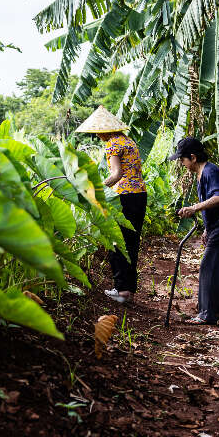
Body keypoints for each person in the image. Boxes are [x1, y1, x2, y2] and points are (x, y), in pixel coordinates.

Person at [76, 106, 147, 303]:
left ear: (104, 130)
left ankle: (121, 290)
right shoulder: (128, 141)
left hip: (123, 196)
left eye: (98, 131)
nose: (97, 135)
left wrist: (96, 188)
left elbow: (117, 174)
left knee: (116, 241)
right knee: (132, 242)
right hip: (140, 195)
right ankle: (128, 290)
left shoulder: (112, 144)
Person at [170, 137, 219, 324]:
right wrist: (207, 229)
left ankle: (206, 314)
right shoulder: (203, 173)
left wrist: (194, 208)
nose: (182, 163)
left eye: (183, 159)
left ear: (193, 158)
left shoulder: (210, 172)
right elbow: (213, 206)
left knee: (209, 267)